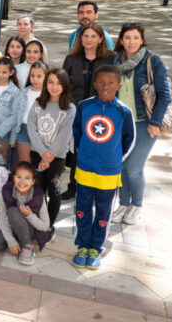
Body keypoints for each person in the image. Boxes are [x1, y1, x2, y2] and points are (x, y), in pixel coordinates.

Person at [72, 65, 135, 270]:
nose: (105, 87)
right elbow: (77, 133)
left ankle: (95, 248)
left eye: (110, 83)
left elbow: (129, 140)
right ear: (95, 84)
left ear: (118, 86)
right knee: (82, 209)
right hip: (84, 170)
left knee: (103, 212)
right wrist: (83, 155)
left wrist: (115, 159)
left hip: (109, 172)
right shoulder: (84, 107)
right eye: (101, 82)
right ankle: (83, 245)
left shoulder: (124, 112)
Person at [111, 23, 172, 225]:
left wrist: (155, 122)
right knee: (121, 166)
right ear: (121, 40)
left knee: (134, 168)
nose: (131, 42)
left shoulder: (152, 62)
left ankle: (136, 205)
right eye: (127, 38)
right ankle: (123, 203)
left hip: (144, 123)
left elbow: (165, 95)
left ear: (142, 40)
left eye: (135, 38)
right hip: (120, 123)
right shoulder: (115, 61)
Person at [61, 23, 115, 199]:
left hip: (101, 113)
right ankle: (73, 185)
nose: (88, 40)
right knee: (77, 151)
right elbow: (64, 84)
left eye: (93, 36)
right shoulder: (71, 59)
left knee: (98, 151)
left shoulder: (110, 58)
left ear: (101, 39)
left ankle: (97, 188)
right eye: (85, 36)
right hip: (76, 112)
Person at [27, 68, 76, 234]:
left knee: (54, 192)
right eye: (50, 82)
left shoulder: (70, 108)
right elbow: (32, 128)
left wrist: (49, 156)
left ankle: (48, 225)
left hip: (57, 158)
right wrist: (42, 152)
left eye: (58, 83)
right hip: (37, 155)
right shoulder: (38, 103)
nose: (54, 87)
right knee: (37, 191)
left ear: (65, 85)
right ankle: (36, 222)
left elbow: (65, 135)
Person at [0, 162, 51, 266]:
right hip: (10, 226)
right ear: (13, 177)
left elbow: (45, 226)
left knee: (13, 212)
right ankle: (17, 241)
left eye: (27, 178)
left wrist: (29, 215)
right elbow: (1, 216)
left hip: (30, 229)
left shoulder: (38, 195)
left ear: (33, 181)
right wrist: (11, 241)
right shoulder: (6, 190)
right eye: (19, 177)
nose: (22, 181)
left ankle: (27, 245)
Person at [15, 62, 49, 164]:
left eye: (39, 76)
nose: (35, 79)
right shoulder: (24, 92)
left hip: (42, 131)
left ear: (46, 77)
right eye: (32, 76)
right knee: (24, 163)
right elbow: (17, 113)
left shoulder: (49, 94)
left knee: (40, 163)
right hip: (24, 129)